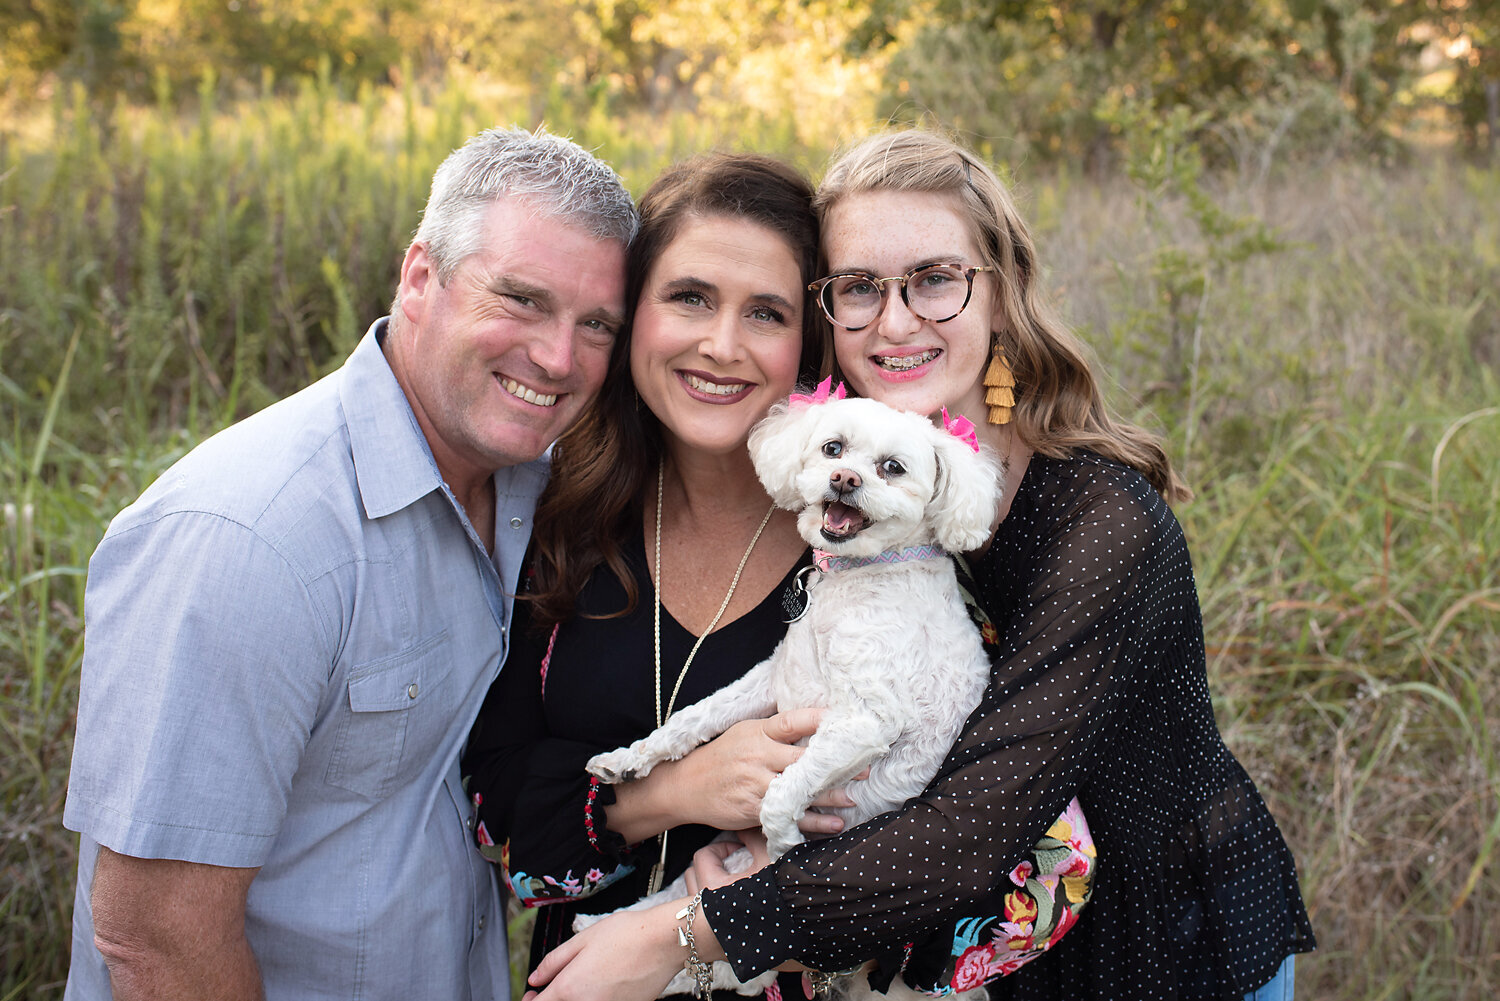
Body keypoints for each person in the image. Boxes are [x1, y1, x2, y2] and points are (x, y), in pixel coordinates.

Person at [523, 130, 1315, 1001]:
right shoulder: (863, 499)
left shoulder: (1102, 527)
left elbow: (970, 827)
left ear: (1000, 292)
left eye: (934, 279)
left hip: (1153, 943)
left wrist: (682, 935)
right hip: (980, 949)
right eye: (860, 288)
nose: (895, 322)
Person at [468, 150, 1094, 1001]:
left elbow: (1038, 878)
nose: (721, 346)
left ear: (815, 333)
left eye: (766, 311)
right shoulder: (557, 522)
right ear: (630, 314)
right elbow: (493, 818)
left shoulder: (893, 546)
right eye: (689, 297)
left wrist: (705, 934)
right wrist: (668, 791)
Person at [60, 125, 636, 1001]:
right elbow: (155, 937)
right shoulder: (249, 540)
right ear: (419, 279)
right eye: (520, 299)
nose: (559, 358)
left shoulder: (532, 486)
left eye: (595, 324)